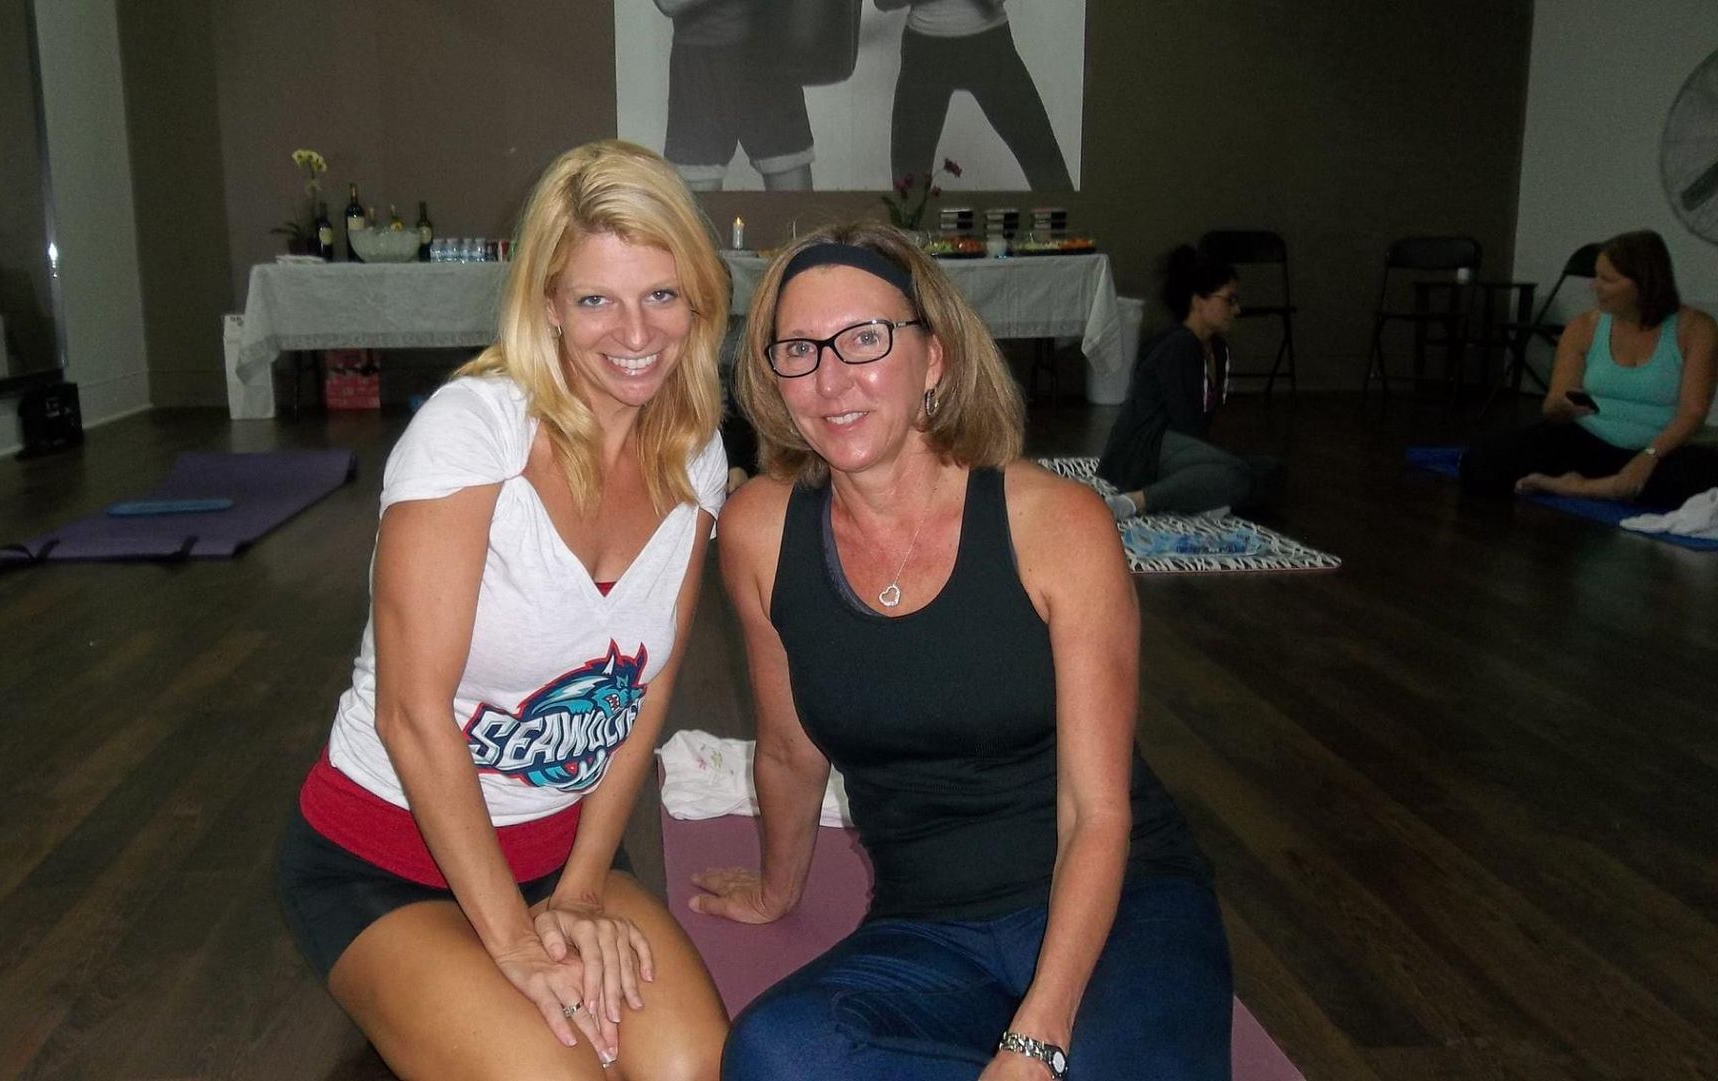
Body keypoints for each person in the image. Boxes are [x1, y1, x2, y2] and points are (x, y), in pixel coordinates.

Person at [694, 220, 1231, 1080]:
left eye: (865, 338)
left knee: (1090, 1064)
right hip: (930, 927)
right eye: (799, 349)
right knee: (774, 1053)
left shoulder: (1055, 523)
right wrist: (775, 888)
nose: (830, 378)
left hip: (1119, 903)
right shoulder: (760, 528)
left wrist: (1036, 1037)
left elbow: (1095, 813)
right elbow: (791, 750)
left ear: (935, 357)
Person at [274, 140, 731, 1081]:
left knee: (696, 1068)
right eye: (596, 299)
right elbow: (411, 713)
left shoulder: (696, 454)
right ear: (549, 303)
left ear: (698, 297)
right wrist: (517, 945)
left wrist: (583, 889)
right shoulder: (473, 431)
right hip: (384, 860)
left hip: (558, 856)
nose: (634, 330)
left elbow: (642, 696)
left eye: (661, 293)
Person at [1460, 230, 1718, 505]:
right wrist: (1562, 405)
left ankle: (1579, 488)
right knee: (1481, 461)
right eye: (1596, 276)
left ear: (1644, 283)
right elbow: (1554, 405)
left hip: (1661, 450)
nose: (1594, 287)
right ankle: (1611, 487)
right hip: (1589, 438)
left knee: (1703, 479)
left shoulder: (1696, 328)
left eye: (1607, 280)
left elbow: (1693, 412)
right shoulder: (1584, 326)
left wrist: (1649, 457)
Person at [1097, 245, 1284, 520]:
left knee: (1271, 469)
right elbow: (1186, 424)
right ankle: (1136, 501)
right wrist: (1213, 461)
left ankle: (1198, 494)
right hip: (1145, 449)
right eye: (1229, 300)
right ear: (1198, 301)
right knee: (1235, 475)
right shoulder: (1179, 346)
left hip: (1182, 448)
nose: (1236, 309)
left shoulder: (1217, 348)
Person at [877, 0, 1072, 192]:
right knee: (907, 193)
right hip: (924, 53)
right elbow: (883, 2)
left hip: (990, 49)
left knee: (1052, 179)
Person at [657, 0, 815, 192]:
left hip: (768, 52)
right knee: (700, 200)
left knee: (795, 200)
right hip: (700, 59)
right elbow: (668, 3)